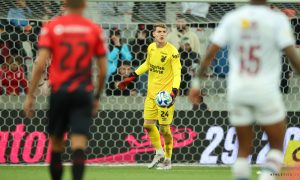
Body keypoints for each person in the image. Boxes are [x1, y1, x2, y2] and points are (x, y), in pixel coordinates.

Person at [188, 0, 300, 180]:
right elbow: (293, 57)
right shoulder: (277, 20)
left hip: (238, 90)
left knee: (243, 149)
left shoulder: (232, 18)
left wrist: (195, 85)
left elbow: (210, 54)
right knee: (277, 145)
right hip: (265, 90)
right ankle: (267, 177)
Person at [23, 0, 107, 180]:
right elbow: (102, 70)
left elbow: (39, 65)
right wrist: (97, 96)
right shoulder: (93, 29)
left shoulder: (52, 27)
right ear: (84, 5)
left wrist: (31, 96)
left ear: (64, 4)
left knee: (56, 145)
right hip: (83, 92)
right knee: (79, 144)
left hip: (59, 91)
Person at [118, 23, 181, 170]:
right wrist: (132, 76)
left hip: (165, 97)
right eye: (159, 31)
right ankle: (159, 152)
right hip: (151, 95)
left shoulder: (172, 52)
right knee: (147, 124)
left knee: (165, 129)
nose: (162, 34)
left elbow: (177, 73)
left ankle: (168, 160)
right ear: (153, 34)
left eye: (164, 32)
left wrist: (174, 92)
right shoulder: (151, 47)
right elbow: (147, 64)